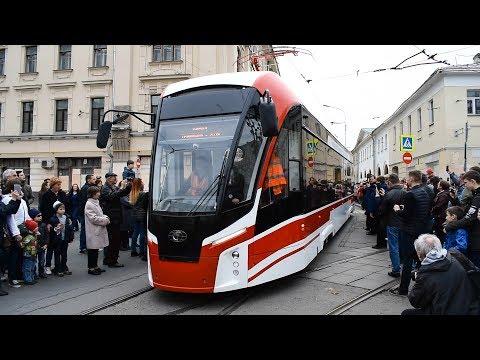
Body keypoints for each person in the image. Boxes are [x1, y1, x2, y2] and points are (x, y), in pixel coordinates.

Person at [401, 234, 479, 315]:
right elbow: (475, 272)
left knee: (406, 313)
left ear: (419, 254)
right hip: (472, 307)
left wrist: (418, 279)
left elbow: (416, 302)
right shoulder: (455, 254)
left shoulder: (425, 274)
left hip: (448, 311)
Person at [100, 172, 132, 267]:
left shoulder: (113, 187)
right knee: (114, 239)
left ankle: (108, 259)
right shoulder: (105, 188)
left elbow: (122, 193)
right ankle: (112, 260)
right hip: (111, 217)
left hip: (116, 216)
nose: (115, 179)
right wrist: (121, 188)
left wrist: (129, 186)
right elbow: (112, 196)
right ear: (108, 178)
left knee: (113, 239)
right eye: (114, 178)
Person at [84, 186, 109, 275]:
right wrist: (105, 220)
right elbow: (93, 218)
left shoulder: (95, 202)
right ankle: (91, 268)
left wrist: (104, 217)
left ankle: (95, 266)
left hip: (96, 229)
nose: (99, 193)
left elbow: (99, 214)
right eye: (98, 192)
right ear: (93, 194)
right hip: (93, 230)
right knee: (92, 250)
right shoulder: (89, 204)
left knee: (96, 249)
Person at [48, 201, 74, 276]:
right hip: (57, 240)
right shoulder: (53, 219)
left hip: (65, 239)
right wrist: (56, 228)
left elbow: (70, 228)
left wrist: (71, 237)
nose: (63, 210)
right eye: (60, 209)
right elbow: (52, 230)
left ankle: (64, 267)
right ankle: (57, 269)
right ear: (56, 210)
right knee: (57, 254)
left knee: (64, 254)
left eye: (63, 209)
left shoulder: (67, 217)